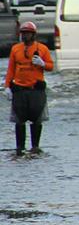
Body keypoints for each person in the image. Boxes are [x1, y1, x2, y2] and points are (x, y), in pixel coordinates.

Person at [4, 22, 54, 156]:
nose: (25, 36)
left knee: (36, 119)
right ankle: (20, 147)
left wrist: (43, 64)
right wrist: (7, 86)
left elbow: (51, 66)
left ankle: (35, 147)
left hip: (36, 90)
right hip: (19, 90)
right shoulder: (15, 49)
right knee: (19, 120)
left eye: (28, 33)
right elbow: (11, 69)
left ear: (34, 34)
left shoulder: (42, 49)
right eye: (23, 33)